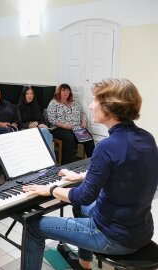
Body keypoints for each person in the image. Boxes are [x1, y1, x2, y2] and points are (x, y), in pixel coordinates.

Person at [22, 78, 158, 270]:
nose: (90, 105)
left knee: (33, 227)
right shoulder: (147, 137)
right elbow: (125, 174)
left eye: (95, 100)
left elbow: (83, 195)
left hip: (113, 237)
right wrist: (80, 177)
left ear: (109, 108)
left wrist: (50, 189)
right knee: (81, 207)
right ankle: (83, 263)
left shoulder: (106, 146)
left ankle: (85, 254)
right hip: (141, 230)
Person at [47, 83, 95, 164]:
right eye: (63, 90)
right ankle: (66, 165)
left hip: (76, 128)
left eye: (68, 90)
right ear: (59, 92)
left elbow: (82, 113)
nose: (66, 92)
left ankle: (93, 163)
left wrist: (84, 121)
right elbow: (51, 119)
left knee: (89, 139)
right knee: (69, 138)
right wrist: (64, 125)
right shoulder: (54, 103)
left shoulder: (75, 102)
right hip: (59, 128)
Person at [16, 85, 54, 157]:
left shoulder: (36, 106)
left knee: (45, 131)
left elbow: (42, 120)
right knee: (45, 132)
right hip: (25, 130)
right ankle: (52, 159)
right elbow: (20, 124)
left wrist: (37, 123)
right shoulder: (18, 107)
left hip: (37, 128)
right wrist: (30, 125)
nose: (29, 96)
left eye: (31, 93)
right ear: (24, 95)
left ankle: (49, 158)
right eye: (27, 93)